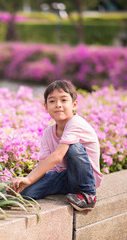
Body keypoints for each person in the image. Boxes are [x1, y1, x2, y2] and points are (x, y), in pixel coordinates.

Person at [10, 80, 103, 211]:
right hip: (64, 177)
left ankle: (88, 196)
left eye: (64, 100)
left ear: (74, 105)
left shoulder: (76, 123)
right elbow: (43, 164)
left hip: (84, 177)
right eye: (52, 101)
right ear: (46, 107)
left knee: (74, 148)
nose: (58, 105)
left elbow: (58, 156)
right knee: (25, 193)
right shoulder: (48, 132)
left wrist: (29, 179)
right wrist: (27, 182)